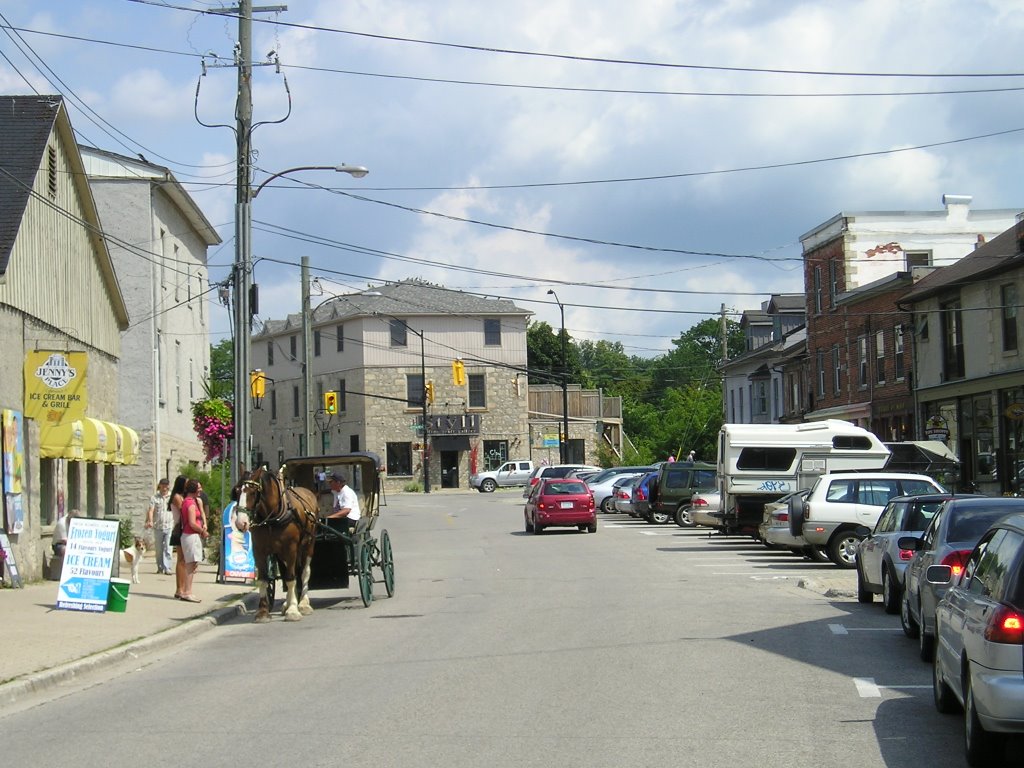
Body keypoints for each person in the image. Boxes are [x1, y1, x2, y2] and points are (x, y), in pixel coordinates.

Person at [177, 479, 208, 602]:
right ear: (193, 489)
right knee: (190, 564)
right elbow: (191, 523)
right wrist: (202, 531)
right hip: (190, 535)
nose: (200, 490)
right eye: (198, 488)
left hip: (191, 536)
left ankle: (187, 590)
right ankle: (187, 591)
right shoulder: (189, 504)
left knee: (192, 564)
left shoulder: (192, 502)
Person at [144, 478, 173, 574]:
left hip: (169, 525)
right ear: (160, 485)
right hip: (158, 526)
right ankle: (160, 567)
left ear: (168, 486)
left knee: (168, 548)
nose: (164, 487)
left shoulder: (171, 496)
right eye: (163, 485)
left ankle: (168, 567)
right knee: (159, 549)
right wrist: (150, 521)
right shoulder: (155, 497)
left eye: (166, 485)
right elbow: (151, 510)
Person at [168, 475, 187, 599]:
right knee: (181, 559)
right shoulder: (177, 497)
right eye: (186, 483)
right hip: (179, 527)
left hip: (184, 527)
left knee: (185, 560)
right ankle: (179, 588)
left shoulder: (183, 497)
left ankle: (184, 587)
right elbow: (183, 511)